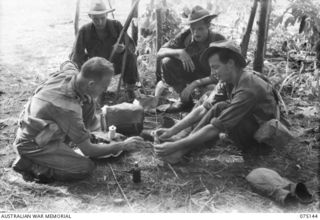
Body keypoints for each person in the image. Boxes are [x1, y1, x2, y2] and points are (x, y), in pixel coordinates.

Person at [12, 57, 145, 182]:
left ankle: (73, 140)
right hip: (35, 143)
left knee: (88, 101)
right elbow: (89, 151)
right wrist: (123, 145)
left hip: (43, 127)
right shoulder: (68, 109)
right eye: (104, 87)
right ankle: (32, 165)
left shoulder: (73, 75)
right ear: (91, 84)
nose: (105, 90)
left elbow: (67, 63)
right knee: (84, 168)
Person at [154, 40, 279, 163]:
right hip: (246, 127)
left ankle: (182, 151)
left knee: (221, 108)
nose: (213, 73)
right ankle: (183, 143)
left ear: (230, 63)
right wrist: (172, 131)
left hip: (260, 142)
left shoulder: (248, 89)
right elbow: (203, 109)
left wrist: (177, 146)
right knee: (213, 101)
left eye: (216, 67)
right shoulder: (228, 80)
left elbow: (215, 127)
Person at [156, 5, 226, 113]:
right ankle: (185, 102)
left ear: (208, 26)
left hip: (210, 78)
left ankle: (199, 107)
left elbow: (220, 74)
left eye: (200, 29)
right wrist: (179, 52)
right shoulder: (185, 36)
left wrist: (194, 85)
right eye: (193, 29)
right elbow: (160, 52)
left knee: (211, 93)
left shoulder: (218, 40)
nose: (196, 33)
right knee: (167, 62)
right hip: (191, 72)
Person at [70, 0, 138, 103]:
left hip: (114, 65)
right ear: (90, 17)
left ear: (107, 15)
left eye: (102, 18)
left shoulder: (116, 25)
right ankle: (95, 91)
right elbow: (76, 56)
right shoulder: (84, 31)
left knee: (130, 57)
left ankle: (130, 90)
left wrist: (123, 49)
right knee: (94, 100)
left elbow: (132, 46)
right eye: (96, 19)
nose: (100, 22)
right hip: (96, 69)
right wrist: (84, 75)